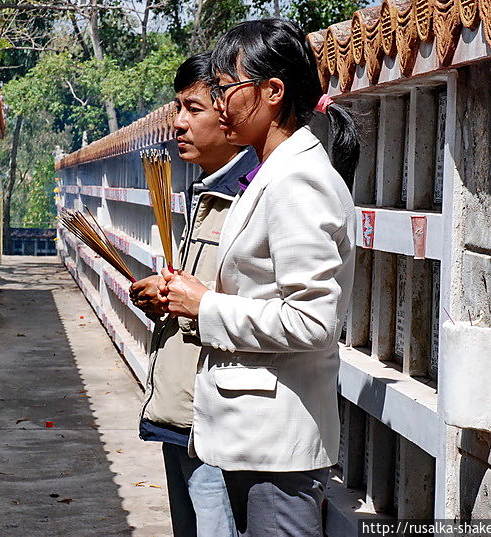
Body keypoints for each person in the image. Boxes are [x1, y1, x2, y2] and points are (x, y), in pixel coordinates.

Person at [158, 19, 360, 537]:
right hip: (255, 437)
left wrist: (204, 306)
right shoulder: (275, 173)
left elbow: (313, 320)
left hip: (277, 447)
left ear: (273, 93)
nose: (218, 104)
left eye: (227, 89)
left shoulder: (297, 181)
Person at [129, 52, 258, 537]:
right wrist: (166, 295)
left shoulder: (251, 199)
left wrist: (195, 303)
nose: (179, 123)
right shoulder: (205, 192)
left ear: (231, 115)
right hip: (178, 408)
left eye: (194, 109)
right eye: (176, 108)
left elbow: (261, 311)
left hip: (212, 421)